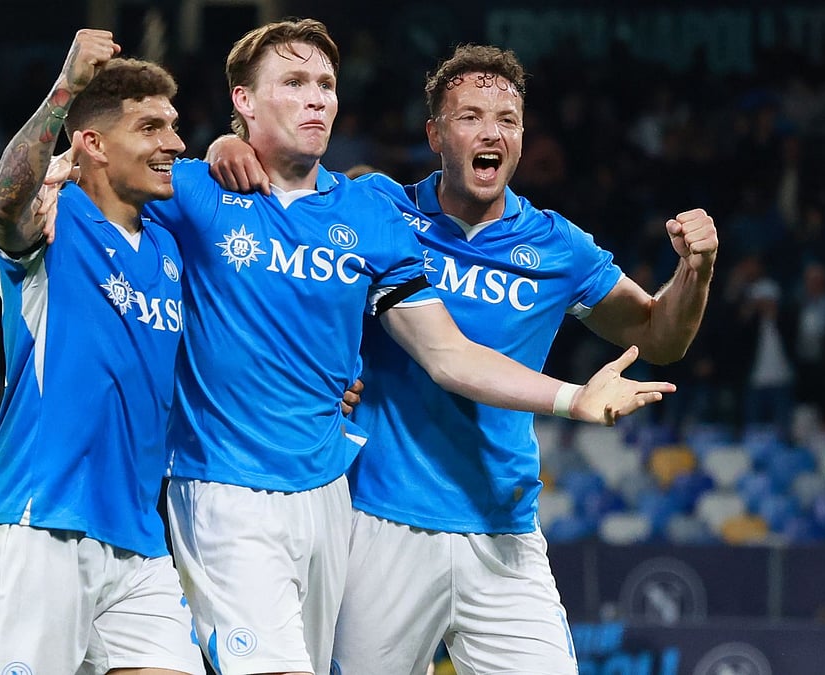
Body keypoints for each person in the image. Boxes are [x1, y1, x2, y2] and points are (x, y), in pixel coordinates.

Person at [44, 21, 675, 675]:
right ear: (244, 99)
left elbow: (448, 354)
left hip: (357, 507)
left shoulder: (375, 213)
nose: (315, 97)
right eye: (293, 83)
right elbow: (89, 168)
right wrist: (99, 102)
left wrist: (576, 393)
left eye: (324, 84)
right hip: (264, 496)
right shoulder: (212, 188)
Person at [207, 43, 717, 675]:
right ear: (435, 135)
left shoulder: (558, 247)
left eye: (507, 119)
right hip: (380, 523)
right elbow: (290, 187)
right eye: (470, 116)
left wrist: (695, 272)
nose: (491, 132)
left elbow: (659, 338)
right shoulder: (378, 209)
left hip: (503, 529)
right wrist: (226, 148)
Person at [0, 29, 204, 675]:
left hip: (137, 539)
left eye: (174, 127)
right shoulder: (53, 217)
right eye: (151, 127)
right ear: (91, 142)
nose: (174, 144)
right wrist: (65, 88)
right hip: (39, 521)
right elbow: (4, 200)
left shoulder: (169, 251)